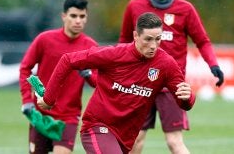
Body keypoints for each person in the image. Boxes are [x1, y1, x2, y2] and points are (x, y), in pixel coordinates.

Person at [37, 12, 196, 154]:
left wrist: (188, 97)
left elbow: (185, 103)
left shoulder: (166, 64)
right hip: (97, 127)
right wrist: (48, 99)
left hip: (125, 137)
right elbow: (67, 60)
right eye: (148, 39)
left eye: (158, 39)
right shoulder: (113, 55)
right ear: (135, 36)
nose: (153, 45)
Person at [119, 0, 224, 154]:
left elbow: (202, 41)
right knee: (135, 139)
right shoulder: (134, 6)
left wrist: (213, 64)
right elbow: (124, 41)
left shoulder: (185, 9)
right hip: (140, 84)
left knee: (174, 142)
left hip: (171, 85)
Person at [19, 0, 98, 154]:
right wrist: (27, 100)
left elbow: (99, 82)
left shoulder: (91, 47)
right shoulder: (44, 39)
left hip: (69, 116)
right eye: (73, 16)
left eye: (82, 16)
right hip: (40, 113)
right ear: (64, 16)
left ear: (86, 18)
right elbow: (25, 68)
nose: (78, 21)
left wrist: (88, 74)